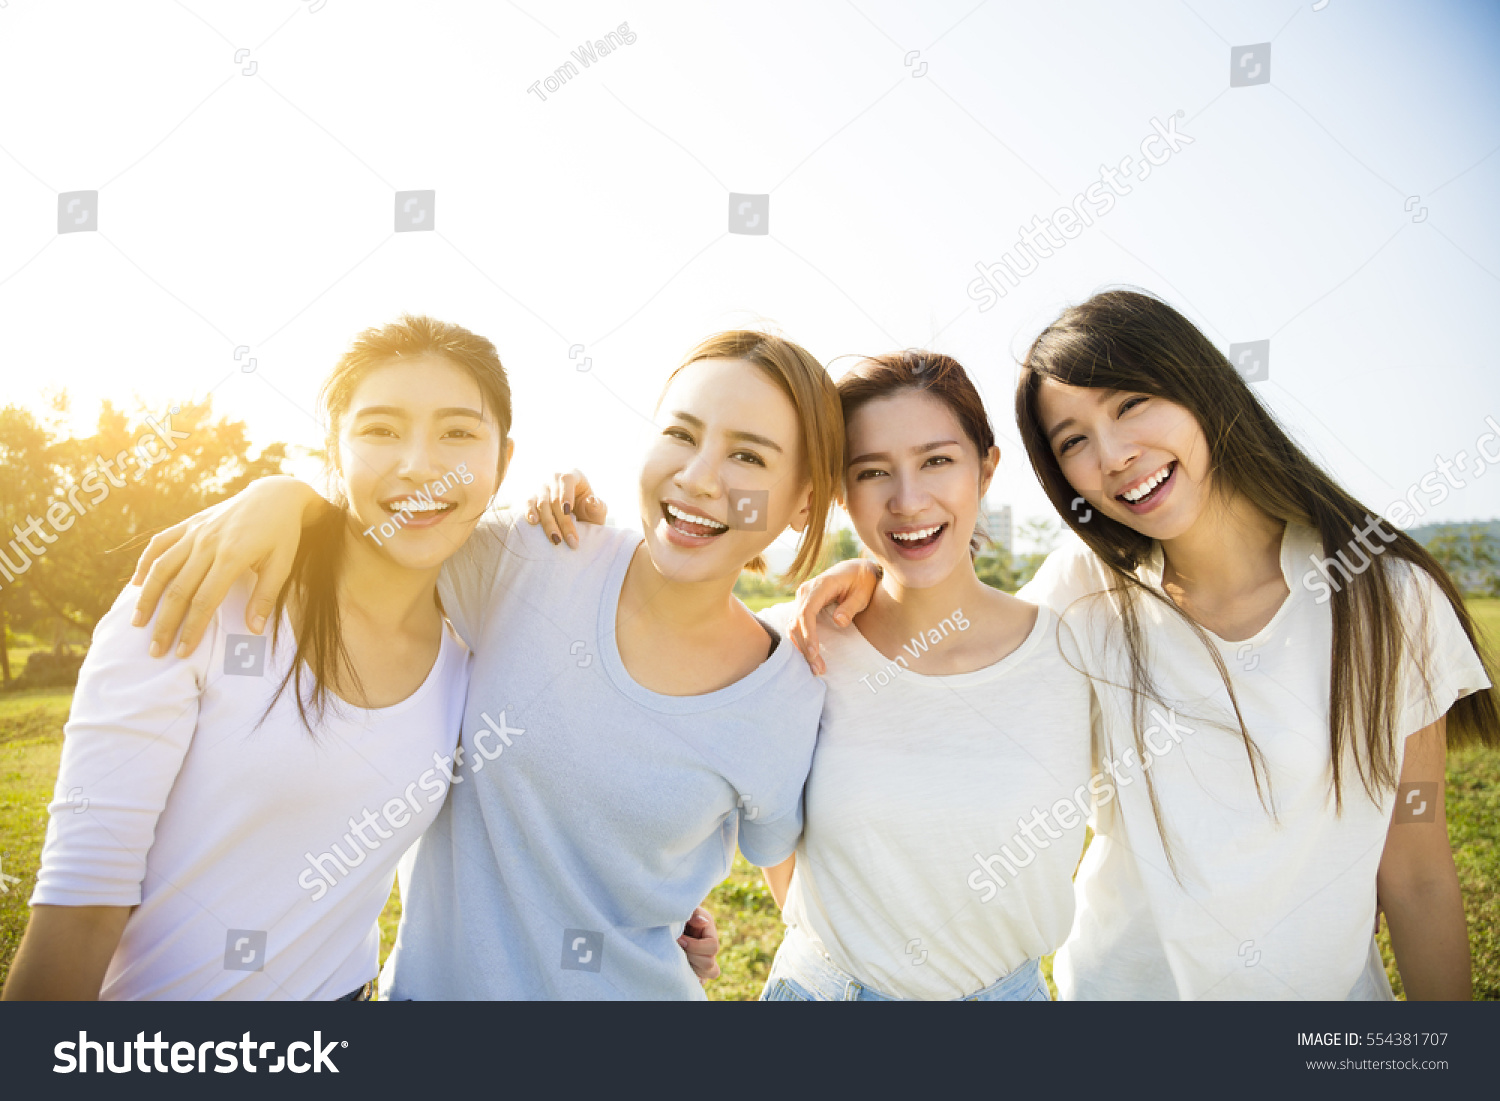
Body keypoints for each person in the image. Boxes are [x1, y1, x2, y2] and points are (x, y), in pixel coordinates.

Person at [787, 289, 1498, 1000]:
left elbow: (1418, 868)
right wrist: (870, 573)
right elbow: (960, 617)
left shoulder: (1386, 598)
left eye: (1130, 403)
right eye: (1073, 441)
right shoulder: (1086, 589)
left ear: (1201, 387)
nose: (1115, 455)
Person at [122, 329, 842, 998]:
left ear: (807, 501)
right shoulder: (529, 558)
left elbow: (788, 877)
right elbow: (383, 523)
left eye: (748, 455)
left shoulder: (788, 694)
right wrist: (284, 497)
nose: (699, 477)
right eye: (680, 434)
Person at [530, 351, 1094, 1001]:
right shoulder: (792, 644)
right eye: (872, 471)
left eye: (937, 460)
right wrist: (583, 548)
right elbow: (625, 712)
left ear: (986, 468)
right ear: (837, 491)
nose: (908, 500)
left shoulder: (1074, 647)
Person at [3, 315, 503, 1000]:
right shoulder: (197, 597)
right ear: (332, 450)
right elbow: (79, 913)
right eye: (381, 429)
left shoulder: (477, 644)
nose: (418, 464)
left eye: (458, 432)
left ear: (503, 458)